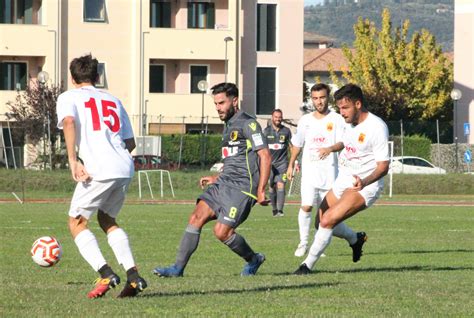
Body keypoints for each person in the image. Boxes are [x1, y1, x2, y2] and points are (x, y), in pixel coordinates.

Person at [153, 82, 271, 277]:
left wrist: (261, 189)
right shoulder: (228, 126)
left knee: (221, 232)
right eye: (215, 104)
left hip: (242, 188)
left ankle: (253, 259)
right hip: (223, 183)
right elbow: (234, 159)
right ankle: (177, 269)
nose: (218, 108)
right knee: (195, 217)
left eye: (222, 103)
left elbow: (265, 155)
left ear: (234, 101)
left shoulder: (249, 124)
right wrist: (217, 177)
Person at [56, 54, 147, 298]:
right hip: (124, 166)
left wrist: (74, 161)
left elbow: (68, 122)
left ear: (72, 78)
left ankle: (106, 272)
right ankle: (133, 276)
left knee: (76, 222)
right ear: (97, 77)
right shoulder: (114, 100)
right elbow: (130, 142)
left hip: (100, 169)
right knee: (107, 220)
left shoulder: (68, 96)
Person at [293, 83, 389, 275]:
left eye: (345, 108)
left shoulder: (376, 127)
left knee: (328, 220)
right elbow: (344, 143)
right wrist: (330, 149)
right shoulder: (347, 124)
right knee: (320, 221)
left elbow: (383, 166)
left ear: (358, 104)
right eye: (339, 109)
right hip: (344, 178)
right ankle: (355, 239)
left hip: (364, 185)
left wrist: (365, 182)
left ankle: (306, 266)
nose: (342, 113)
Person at [287, 83, 347, 258]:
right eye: (315, 98)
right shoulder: (305, 120)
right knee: (306, 206)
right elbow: (297, 144)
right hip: (310, 174)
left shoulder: (337, 119)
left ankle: (318, 247)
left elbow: (343, 142)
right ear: (311, 100)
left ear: (328, 97)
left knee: (324, 215)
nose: (319, 102)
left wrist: (330, 149)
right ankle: (303, 243)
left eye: (322, 97)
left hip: (330, 174)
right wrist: (291, 164)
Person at [263, 109, 292, 217]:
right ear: (272, 117)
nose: (278, 119)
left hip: (282, 164)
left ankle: (280, 211)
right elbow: (262, 149)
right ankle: (274, 209)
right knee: (271, 186)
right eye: (276, 117)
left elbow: (291, 147)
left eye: (280, 117)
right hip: (270, 164)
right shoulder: (266, 132)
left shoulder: (286, 131)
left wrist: (294, 162)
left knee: (281, 185)